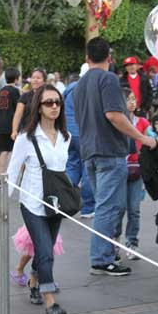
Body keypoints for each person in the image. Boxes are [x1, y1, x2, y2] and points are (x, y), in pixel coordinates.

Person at [73, 37, 156, 276]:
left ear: (87, 59)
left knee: (106, 205)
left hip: (90, 151)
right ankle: (101, 259)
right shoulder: (108, 79)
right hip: (110, 150)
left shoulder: (80, 84)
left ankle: (107, 252)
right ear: (109, 57)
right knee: (109, 207)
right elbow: (114, 115)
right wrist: (141, 138)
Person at [6, 85, 70, 314]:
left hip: (56, 203)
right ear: (39, 108)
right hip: (32, 203)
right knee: (45, 251)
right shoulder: (26, 138)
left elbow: (62, 170)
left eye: (57, 102)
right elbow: (13, 171)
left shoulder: (66, 137)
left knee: (46, 249)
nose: (54, 107)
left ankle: (34, 281)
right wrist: (5, 203)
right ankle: (50, 302)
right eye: (48, 103)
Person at [115, 89, 150, 260]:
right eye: (128, 99)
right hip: (119, 168)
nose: (132, 102)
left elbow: (151, 138)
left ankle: (132, 242)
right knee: (118, 209)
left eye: (134, 99)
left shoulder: (142, 122)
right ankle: (114, 241)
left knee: (134, 209)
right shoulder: (116, 121)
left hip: (137, 169)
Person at [64, 64, 95, 218]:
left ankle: (65, 203)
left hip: (68, 133)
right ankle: (88, 207)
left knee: (72, 166)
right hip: (84, 133)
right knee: (88, 169)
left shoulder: (70, 88)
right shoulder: (90, 88)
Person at [0, 68, 21, 189]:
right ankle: (18, 177)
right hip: (12, 125)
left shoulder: (1, 91)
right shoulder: (15, 91)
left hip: (1, 124)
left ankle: (1, 177)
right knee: (17, 152)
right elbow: (19, 108)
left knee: (3, 151)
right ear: (16, 78)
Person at [11, 68, 47, 140]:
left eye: (38, 78)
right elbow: (18, 114)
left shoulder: (48, 95)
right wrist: (14, 131)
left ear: (44, 81)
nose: (35, 80)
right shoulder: (25, 96)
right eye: (33, 78)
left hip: (44, 133)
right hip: (27, 132)